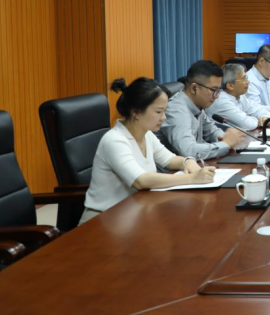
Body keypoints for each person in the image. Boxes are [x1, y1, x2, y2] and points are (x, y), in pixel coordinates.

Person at [80, 78, 216, 224]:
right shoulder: (114, 140)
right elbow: (141, 181)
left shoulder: (146, 134)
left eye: (164, 111)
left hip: (135, 211)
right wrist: (192, 179)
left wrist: (187, 161)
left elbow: (169, 160)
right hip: (103, 219)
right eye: (158, 111)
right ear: (136, 112)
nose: (163, 117)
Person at [157, 60, 244, 159]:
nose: (217, 96)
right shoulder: (176, 110)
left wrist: (226, 138)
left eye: (218, 90)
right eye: (213, 90)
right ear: (194, 88)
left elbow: (211, 131)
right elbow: (188, 151)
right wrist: (226, 144)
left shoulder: (197, 105)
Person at [207, 63, 270, 132]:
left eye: (246, 77)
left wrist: (264, 117)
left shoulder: (239, 96)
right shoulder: (222, 101)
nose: (248, 82)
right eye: (244, 78)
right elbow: (248, 125)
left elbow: (260, 109)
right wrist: (259, 120)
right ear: (230, 85)